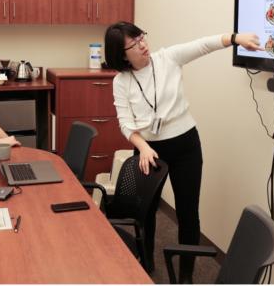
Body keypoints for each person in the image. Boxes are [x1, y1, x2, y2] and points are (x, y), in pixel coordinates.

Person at [104, 21, 261, 279]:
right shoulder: (121, 82)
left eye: (142, 37)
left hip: (185, 144)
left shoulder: (168, 58)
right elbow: (125, 123)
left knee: (188, 213)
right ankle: (145, 264)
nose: (143, 44)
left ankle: (186, 277)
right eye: (134, 43)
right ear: (122, 54)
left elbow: (202, 45)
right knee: (146, 211)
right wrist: (142, 146)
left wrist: (235, 38)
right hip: (149, 150)